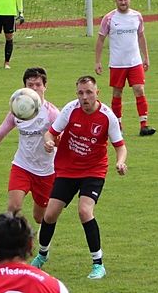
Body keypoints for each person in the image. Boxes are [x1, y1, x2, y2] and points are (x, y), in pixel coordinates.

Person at [32, 75, 127, 279]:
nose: (84, 97)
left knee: (84, 211)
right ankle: (42, 255)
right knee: (50, 215)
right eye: (81, 93)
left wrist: (120, 162)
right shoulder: (70, 109)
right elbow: (50, 133)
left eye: (89, 92)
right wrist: (48, 142)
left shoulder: (107, 116)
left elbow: (120, 146)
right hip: (67, 169)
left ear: (97, 93)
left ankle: (98, 264)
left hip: (93, 170)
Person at [0, 67, 59, 224]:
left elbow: (64, 141)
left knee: (40, 218)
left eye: (38, 85)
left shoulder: (52, 113)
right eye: (30, 85)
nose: (34, 88)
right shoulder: (17, 111)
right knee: (13, 208)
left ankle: (37, 238)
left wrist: (52, 143)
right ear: (24, 87)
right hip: (22, 166)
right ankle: (16, 238)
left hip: (46, 171)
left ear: (45, 87)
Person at [94, 0, 156, 137]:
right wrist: (97, 61)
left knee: (139, 89)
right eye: (120, 0)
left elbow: (141, 36)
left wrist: (146, 57)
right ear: (115, 1)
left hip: (135, 62)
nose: (123, 2)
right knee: (117, 92)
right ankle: (118, 126)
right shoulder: (109, 18)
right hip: (117, 63)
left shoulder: (137, 16)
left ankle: (144, 125)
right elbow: (101, 39)